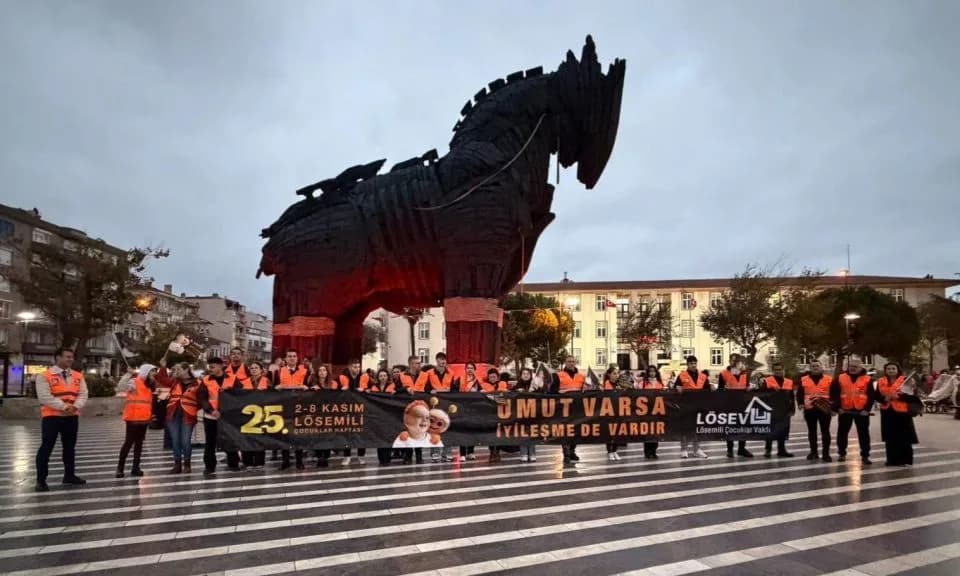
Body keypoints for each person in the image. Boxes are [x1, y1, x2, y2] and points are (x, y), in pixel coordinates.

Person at [35, 347, 88, 492]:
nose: (70, 359)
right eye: (67, 357)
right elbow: (44, 397)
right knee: (46, 447)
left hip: (71, 417)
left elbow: (83, 394)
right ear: (57, 357)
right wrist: (64, 407)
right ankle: (41, 480)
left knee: (69, 448)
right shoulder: (44, 376)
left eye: (72, 357)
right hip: (52, 417)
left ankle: (69, 475)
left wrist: (75, 406)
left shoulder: (78, 376)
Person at [115, 363, 157, 478]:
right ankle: (120, 468)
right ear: (146, 372)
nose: (154, 374)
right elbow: (121, 387)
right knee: (128, 443)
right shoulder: (134, 381)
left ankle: (135, 467)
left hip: (144, 418)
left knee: (139, 443)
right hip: (133, 417)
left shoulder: (150, 384)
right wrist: (128, 374)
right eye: (152, 371)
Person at [160, 360, 199, 474]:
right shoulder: (174, 382)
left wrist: (196, 408)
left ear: (186, 370)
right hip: (173, 414)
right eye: (175, 370)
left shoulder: (197, 383)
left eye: (178, 369)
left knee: (185, 440)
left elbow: (202, 398)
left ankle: (187, 464)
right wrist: (163, 367)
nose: (176, 372)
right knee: (175, 440)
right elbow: (162, 379)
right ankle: (177, 465)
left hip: (188, 414)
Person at [834, 356, 875, 464]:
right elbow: (835, 394)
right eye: (851, 366)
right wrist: (838, 408)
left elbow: (871, 396)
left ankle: (865, 456)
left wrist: (867, 409)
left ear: (861, 368)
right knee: (842, 433)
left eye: (856, 367)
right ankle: (842, 453)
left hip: (861, 411)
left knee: (864, 434)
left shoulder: (867, 379)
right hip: (845, 411)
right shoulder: (840, 377)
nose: (853, 368)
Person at [877, 362, 919, 466]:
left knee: (904, 436)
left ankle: (905, 460)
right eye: (888, 369)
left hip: (902, 412)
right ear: (885, 370)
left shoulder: (907, 380)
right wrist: (883, 399)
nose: (891, 370)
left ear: (897, 370)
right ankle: (891, 460)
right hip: (887, 411)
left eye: (893, 368)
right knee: (890, 437)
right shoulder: (881, 381)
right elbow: (876, 396)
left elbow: (913, 397)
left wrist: (898, 397)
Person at [420, 352, 458, 462]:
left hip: (447, 405)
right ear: (436, 360)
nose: (443, 362)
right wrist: (430, 391)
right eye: (441, 359)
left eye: (445, 360)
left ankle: (447, 453)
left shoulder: (451, 373)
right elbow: (424, 388)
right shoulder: (429, 373)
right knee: (434, 428)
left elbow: (455, 389)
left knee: (447, 428)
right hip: (434, 405)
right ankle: (435, 453)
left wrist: (450, 390)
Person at [199, 357, 232, 478]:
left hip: (228, 417)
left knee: (230, 440)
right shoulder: (206, 380)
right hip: (211, 416)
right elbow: (202, 398)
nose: (210, 369)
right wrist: (211, 410)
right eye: (209, 367)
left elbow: (240, 394)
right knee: (210, 442)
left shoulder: (232, 379)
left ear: (220, 366)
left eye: (212, 367)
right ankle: (209, 466)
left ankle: (233, 463)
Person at [276, 349, 308, 469]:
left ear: (297, 358)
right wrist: (276, 387)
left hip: (299, 407)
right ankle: (285, 460)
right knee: (284, 434)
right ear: (285, 358)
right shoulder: (279, 371)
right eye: (289, 356)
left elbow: (312, 386)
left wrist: (307, 387)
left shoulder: (305, 371)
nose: (292, 358)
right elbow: (272, 388)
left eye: (294, 356)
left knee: (298, 434)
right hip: (284, 407)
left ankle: (299, 461)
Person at [797, 360, 834, 462]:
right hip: (810, 409)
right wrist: (800, 403)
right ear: (810, 368)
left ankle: (826, 454)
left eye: (817, 366)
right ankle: (813, 452)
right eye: (813, 366)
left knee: (825, 432)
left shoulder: (829, 379)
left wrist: (834, 408)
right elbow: (800, 393)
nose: (815, 368)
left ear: (821, 367)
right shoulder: (804, 379)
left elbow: (834, 393)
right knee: (812, 432)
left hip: (824, 409)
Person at [674, 356, 709, 459]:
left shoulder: (703, 376)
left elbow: (707, 391)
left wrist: (711, 387)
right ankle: (684, 449)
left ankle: (696, 449)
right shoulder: (681, 376)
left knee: (697, 429)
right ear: (687, 364)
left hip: (699, 406)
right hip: (685, 406)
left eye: (695, 363)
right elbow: (676, 389)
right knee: (685, 429)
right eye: (691, 363)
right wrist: (678, 390)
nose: (693, 365)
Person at [719, 355, 754, 458]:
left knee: (743, 427)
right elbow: (720, 391)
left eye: (737, 361)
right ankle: (730, 450)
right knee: (730, 428)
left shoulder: (745, 374)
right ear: (729, 361)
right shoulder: (724, 373)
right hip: (729, 405)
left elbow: (747, 388)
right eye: (733, 361)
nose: (735, 363)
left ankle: (741, 449)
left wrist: (750, 389)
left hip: (743, 405)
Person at [552, 355, 585, 463]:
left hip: (577, 409)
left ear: (575, 363)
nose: (571, 363)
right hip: (564, 409)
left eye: (573, 361)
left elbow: (584, 391)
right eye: (569, 361)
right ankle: (566, 453)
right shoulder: (558, 375)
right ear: (565, 363)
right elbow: (552, 391)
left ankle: (572, 451)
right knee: (565, 432)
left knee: (576, 431)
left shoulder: (581, 376)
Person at [338, 358, 369, 465]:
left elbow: (371, 389)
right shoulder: (341, 377)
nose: (357, 369)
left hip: (361, 409)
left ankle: (361, 455)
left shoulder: (364, 377)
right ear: (349, 367)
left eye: (359, 367)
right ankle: (347, 456)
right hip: (347, 410)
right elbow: (335, 391)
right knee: (347, 433)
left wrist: (365, 390)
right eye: (355, 367)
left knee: (361, 432)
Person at [760, 362, 795, 458]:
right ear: (773, 371)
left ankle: (782, 450)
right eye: (776, 370)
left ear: (783, 370)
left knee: (783, 430)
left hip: (784, 410)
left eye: (780, 369)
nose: (778, 371)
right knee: (770, 430)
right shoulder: (767, 381)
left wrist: (792, 409)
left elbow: (792, 397)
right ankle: (768, 450)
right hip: (771, 409)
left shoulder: (789, 381)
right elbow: (761, 395)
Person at [400, 356, 428, 464]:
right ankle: (408, 456)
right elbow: (396, 388)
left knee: (419, 431)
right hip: (408, 408)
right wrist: (406, 389)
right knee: (408, 431)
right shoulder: (402, 376)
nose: (419, 365)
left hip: (421, 407)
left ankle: (419, 456)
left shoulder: (424, 375)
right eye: (417, 363)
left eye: (419, 363)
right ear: (411, 364)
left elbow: (428, 388)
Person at [513, 367, 539, 463]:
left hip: (533, 413)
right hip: (521, 413)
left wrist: (537, 390)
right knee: (522, 432)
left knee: (532, 433)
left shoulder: (535, 385)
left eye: (527, 373)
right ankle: (524, 453)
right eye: (524, 373)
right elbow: (511, 396)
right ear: (521, 375)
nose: (526, 375)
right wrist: (517, 392)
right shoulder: (517, 386)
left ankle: (532, 453)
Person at [457, 362, 480, 462]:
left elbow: (483, 391)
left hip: (474, 408)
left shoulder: (477, 381)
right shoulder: (459, 379)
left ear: (475, 370)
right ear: (465, 369)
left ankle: (471, 452)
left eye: (471, 368)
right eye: (468, 368)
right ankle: (462, 453)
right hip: (462, 408)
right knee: (462, 431)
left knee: (471, 430)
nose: (470, 369)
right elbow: (453, 392)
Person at [641, 365, 664, 459]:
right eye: (650, 371)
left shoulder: (660, 383)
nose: (652, 373)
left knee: (655, 432)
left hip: (657, 410)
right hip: (646, 411)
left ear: (656, 373)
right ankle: (647, 451)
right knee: (647, 432)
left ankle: (654, 451)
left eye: (654, 371)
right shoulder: (643, 383)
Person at [602, 365, 625, 461]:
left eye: (617, 373)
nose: (616, 375)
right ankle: (609, 451)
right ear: (609, 375)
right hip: (608, 412)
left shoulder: (620, 385)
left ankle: (615, 450)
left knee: (618, 432)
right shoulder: (604, 385)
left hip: (619, 411)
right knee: (609, 433)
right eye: (614, 373)